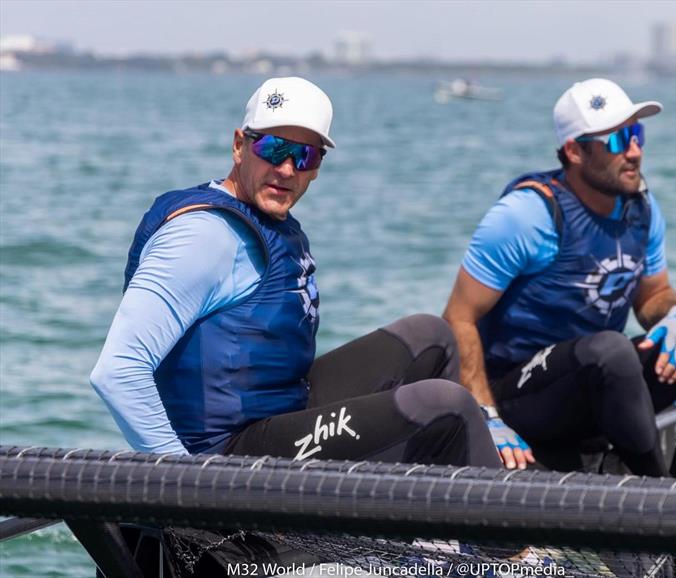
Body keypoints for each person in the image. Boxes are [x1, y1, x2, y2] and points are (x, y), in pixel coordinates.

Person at [91, 76, 499, 469]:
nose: (287, 169)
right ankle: (504, 540)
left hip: (279, 416)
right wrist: (187, 484)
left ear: (317, 166)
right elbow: (119, 371)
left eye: (305, 155)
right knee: (446, 405)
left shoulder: (266, 219)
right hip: (226, 458)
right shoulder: (202, 237)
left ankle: (434, 523)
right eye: (273, 148)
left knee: (431, 338)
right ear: (239, 145)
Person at [443, 78, 676, 476]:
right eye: (620, 140)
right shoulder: (526, 215)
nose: (635, 152)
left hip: (601, 379)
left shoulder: (641, 207)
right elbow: (458, 318)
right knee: (611, 351)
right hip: (519, 394)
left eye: (637, 134)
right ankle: (656, 501)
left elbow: (654, 293)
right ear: (575, 151)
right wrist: (486, 415)